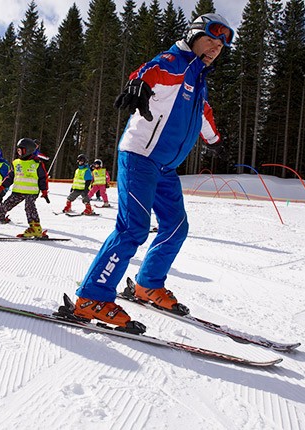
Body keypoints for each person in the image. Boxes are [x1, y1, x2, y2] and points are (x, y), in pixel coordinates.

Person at [72, 13, 233, 333]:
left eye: (220, 45)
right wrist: (139, 84)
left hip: (166, 168)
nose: (215, 48)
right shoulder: (178, 61)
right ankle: (92, 298)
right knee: (133, 228)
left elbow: (204, 113)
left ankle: (147, 285)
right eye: (210, 40)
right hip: (140, 158)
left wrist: (214, 141)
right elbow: (153, 70)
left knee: (176, 226)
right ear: (193, 35)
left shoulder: (198, 79)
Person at [0, 138, 49, 238]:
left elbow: (43, 178)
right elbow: (10, 177)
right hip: (18, 191)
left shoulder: (37, 163)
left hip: (32, 192)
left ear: (28, 150)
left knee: (29, 206)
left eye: (21, 149)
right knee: (4, 206)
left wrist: (44, 191)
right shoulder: (16, 163)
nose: (19, 151)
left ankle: (36, 229)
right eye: (18, 149)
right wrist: (2, 187)